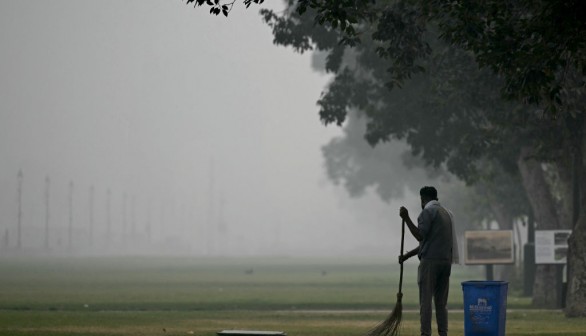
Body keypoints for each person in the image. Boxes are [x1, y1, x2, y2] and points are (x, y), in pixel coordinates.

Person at [398, 186, 459, 336]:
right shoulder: (446, 213)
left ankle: (425, 334)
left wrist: (406, 218)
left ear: (422, 199)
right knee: (441, 303)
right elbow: (428, 242)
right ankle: (443, 333)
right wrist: (407, 256)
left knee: (425, 302)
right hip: (445, 262)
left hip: (430, 264)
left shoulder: (428, 212)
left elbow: (420, 236)